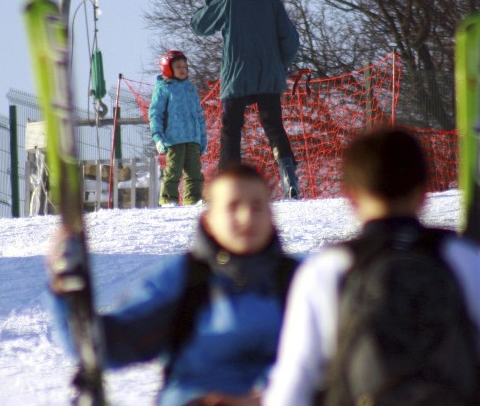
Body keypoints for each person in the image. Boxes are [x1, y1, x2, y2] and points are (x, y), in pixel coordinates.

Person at [263, 128, 480, 405]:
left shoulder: (328, 269)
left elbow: (292, 386)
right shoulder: (462, 259)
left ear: (351, 197)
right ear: (423, 192)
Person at [46, 164, 298, 406]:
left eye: (257, 207)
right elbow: (107, 345)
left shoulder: (298, 281)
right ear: (209, 218)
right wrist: (67, 289)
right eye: (233, 207)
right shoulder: (187, 280)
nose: (246, 217)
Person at [190, 0, 301, 199]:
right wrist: (279, 66)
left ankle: (229, 186)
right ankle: (289, 179)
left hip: (237, 78)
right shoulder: (271, 1)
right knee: (274, 127)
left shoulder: (229, 0)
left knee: (231, 129)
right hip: (268, 77)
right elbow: (291, 41)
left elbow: (198, 25)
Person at [148, 50, 207, 206]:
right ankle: (168, 200)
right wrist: (157, 137)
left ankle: (193, 200)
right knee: (173, 171)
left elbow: (199, 115)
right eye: (178, 66)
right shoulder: (164, 88)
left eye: (184, 66)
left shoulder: (190, 88)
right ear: (168, 69)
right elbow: (155, 114)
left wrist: (202, 138)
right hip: (173, 140)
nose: (183, 69)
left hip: (192, 139)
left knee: (195, 173)